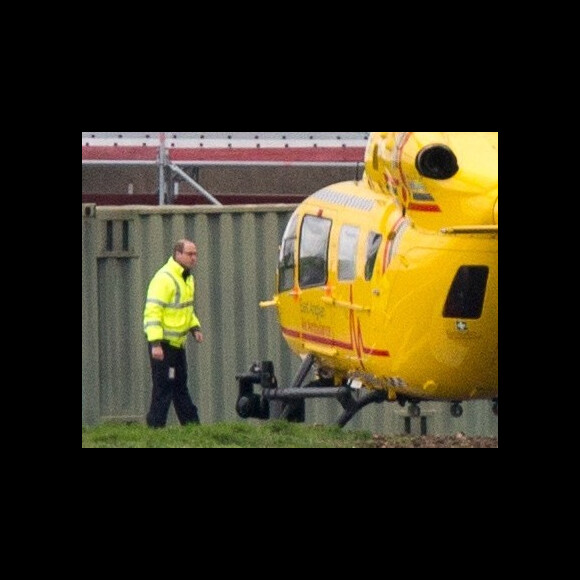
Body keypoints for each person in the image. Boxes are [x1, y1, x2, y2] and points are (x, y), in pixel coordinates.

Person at [143, 239, 204, 428]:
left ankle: (192, 427)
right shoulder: (164, 278)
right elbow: (153, 312)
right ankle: (155, 428)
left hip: (178, 345)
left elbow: (185, 309)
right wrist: (155, 344)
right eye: (190, 254)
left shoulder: (187, 278)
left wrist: (195, 328)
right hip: (164, 345)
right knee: (163, 388)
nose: (194, 258)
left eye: (195, 254)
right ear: (178, 255)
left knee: (179, 386)